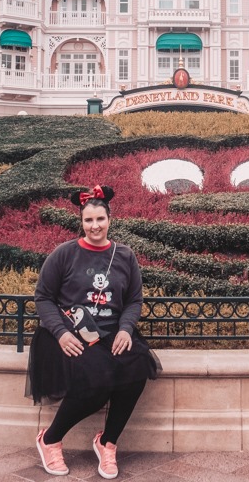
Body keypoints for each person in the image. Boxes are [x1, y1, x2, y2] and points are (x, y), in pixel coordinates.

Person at [29, 185, 159, 479]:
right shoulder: (64, 254)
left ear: (110, 220)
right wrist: (61, 334)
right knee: (98, 380)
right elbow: (43, 297)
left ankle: (107, 442)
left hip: (112, 333)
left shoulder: (124, 255)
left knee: (136, 368)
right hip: (71, 335)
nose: (95, 225)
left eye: (100, 219)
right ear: (81, 222)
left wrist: (126, 329)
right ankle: (50, 439)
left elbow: (134, 300)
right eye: (88, 220)